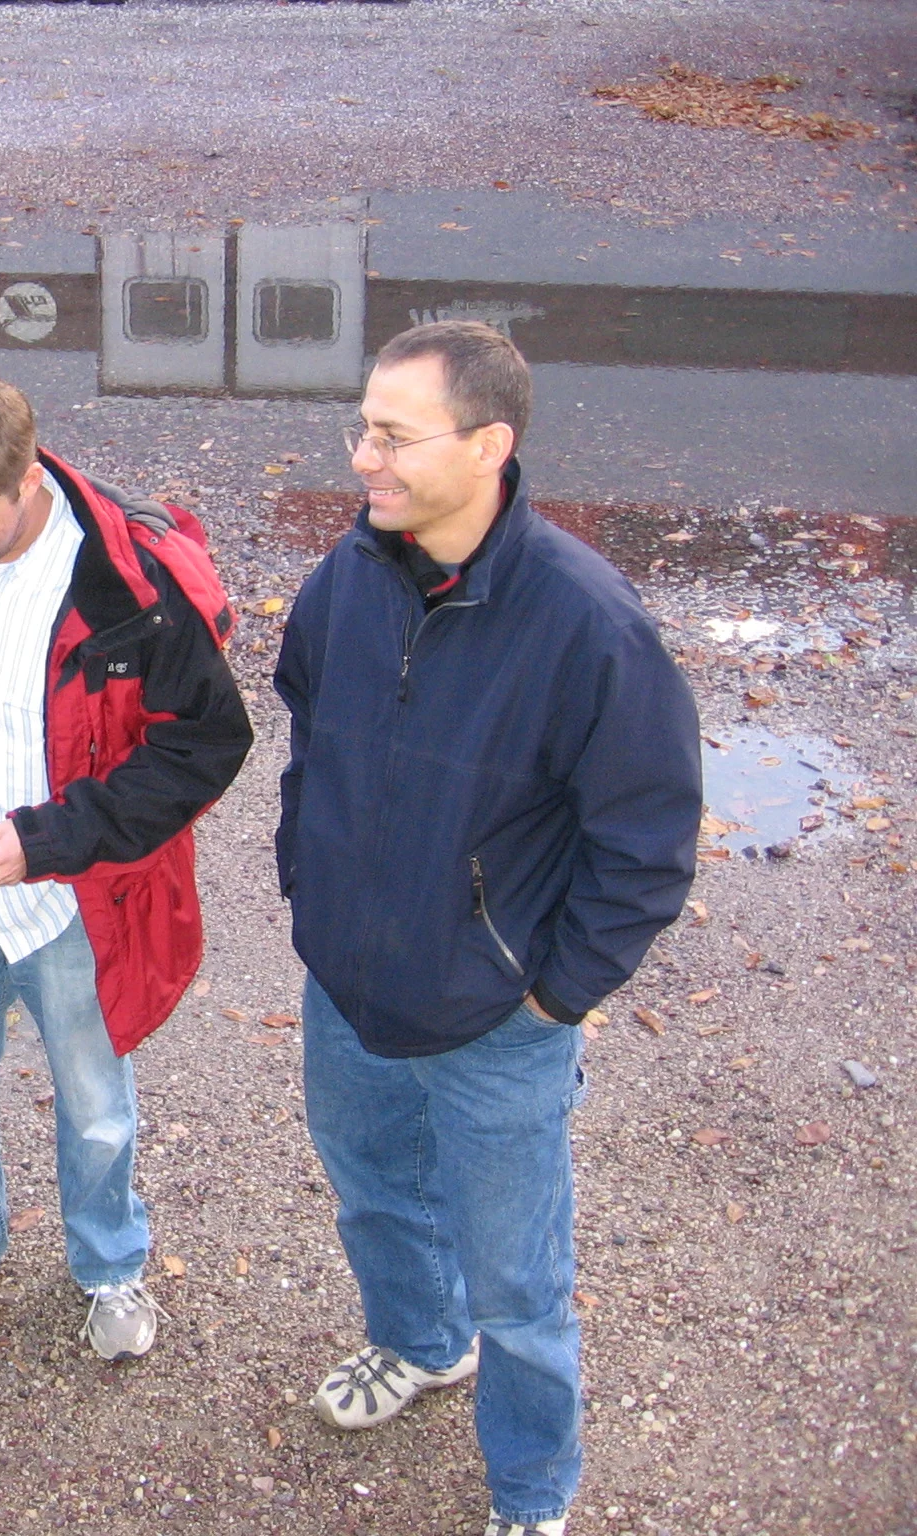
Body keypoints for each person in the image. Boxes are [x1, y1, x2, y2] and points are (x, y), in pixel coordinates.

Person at [273, 322, 701, 1536]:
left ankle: (528, 1489)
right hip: (348, 986)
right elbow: (307, 739)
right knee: (371, 1195)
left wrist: (551, 995)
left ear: (489, 445)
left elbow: (646, 842)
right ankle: (416, 1344)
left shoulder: (585, 624)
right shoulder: (346, 576)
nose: (363, 456)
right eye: (360, 426)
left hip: (494, 1020)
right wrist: (309, 887)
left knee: (518, 1284)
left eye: (393, 435)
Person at [0, 367, 253, 1360]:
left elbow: (203, 747)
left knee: (96, 1108)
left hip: (66, 898)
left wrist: (45, 838)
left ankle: (109, 1268)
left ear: (29, 478)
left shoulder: (129, 584)